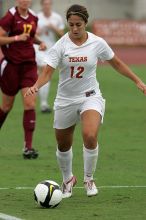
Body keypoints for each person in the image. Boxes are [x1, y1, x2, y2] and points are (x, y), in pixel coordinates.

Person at [24, 4, 146, 197]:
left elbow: (117, 63)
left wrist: (137, 81)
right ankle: (67, 179)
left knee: (90, 135)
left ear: (85, 23)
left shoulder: (97, 43)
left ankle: (89, 179)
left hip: (90, 96)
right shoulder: (61, 45)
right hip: (65, 99)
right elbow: (47, 72)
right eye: (71, 24)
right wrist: (36, 86)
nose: (74, 29)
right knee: (63, 145)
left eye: (78, 24)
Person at [0, 0, 46, 159]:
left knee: (30, 103)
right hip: (11, 66)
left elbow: (31, 36)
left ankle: (28, 147)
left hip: (29, 66)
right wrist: (16, 38)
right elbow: (0, 38)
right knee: (6, 106)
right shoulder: (10, 16)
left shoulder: (34, 16)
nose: (25, 1)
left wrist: (41, 42)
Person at [34, 0, 65, 113]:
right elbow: (31, 34)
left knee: (43, 75)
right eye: (45, 4)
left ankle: (38, 99)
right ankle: (43, 104)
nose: (47, 6)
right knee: (44, 71)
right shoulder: (36, 17)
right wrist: (38, 32)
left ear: (51, 5)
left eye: (49, 4)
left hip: (51, 49)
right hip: (38, 47)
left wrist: (53, 27)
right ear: (42, 5)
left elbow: (62, 35)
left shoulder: (57, 18)